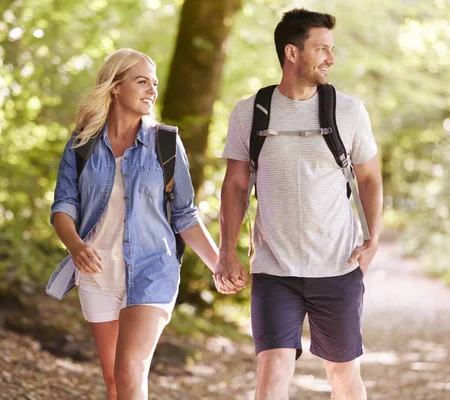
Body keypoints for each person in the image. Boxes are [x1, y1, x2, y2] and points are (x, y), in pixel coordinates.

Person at [214, 8, 383, 400]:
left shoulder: (349, 110)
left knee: (343, 374)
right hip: (275, 269)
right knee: (271, 371)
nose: (331, 58)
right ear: (292, 53)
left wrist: (374, 237)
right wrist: (227, 252)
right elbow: (236, 186)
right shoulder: (250, 113)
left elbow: (370, 178)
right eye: (322, 49)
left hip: (338, 266)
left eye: (332, 49)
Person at [46, 48, 219, 400]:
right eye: (142, 82)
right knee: (114, 381)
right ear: (115, 87)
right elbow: (64, 206)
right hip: (98, 272)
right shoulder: (82, 145)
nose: (152, 90)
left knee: (130, 369)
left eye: (154, 83)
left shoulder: (166, 142)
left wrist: (221, 265)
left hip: (153, 267)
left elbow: (184, 215)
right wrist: (75, 246)